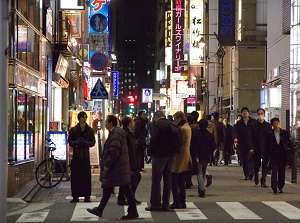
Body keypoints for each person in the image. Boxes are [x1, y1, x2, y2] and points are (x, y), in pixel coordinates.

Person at [87, 115, 139, 220]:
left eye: (106, 121)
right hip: (120, 167)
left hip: (117, 167)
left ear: (110, 123)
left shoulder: (115, 135)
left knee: (116, 188)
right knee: (115, 188)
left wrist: (107, 164)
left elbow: (114, 151)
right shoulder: (117, 133)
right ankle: (101, 209)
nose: (105, 123)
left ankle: (101, 209)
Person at [145, 110, 176, 212]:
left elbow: (153, 140)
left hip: (159, 155)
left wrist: (149, 152)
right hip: (170, 154)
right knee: (168, 179)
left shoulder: (157, 125)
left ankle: (156, 204)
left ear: (156, 117)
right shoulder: (172, 124)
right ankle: (166, 204)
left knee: (156, 180)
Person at [68, 111, 95, 203]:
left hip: (85, 157)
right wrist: (78, 143)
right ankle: (75, 196)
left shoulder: (90, 130)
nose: (84, 119)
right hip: (76, 157)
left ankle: (87, 196)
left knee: (86, 177)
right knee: (75, 177)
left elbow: (92, 142)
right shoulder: (73, 130)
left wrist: (85, 143)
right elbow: (70, 141)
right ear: (79, 119)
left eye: (85, 117)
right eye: (82, 117)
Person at [264, 118, 292, 193]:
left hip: (282, 155)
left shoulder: (284, 133)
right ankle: (274, 187)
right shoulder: (269, 134)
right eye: (274, 124)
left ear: (279, 123)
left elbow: (288, 143)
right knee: (274, 171)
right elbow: (266, 146)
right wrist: (265, 156)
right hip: (273, 155)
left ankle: (281, 186)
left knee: (282, 172)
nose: (276, 125)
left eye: (277, 123)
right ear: (272, 125)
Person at [118, 116, 141, 205]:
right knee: (132, 178)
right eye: (132, 122)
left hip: (131, 159)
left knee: (130, 179)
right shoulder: (125, 134)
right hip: (129, 159)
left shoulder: (128, 133)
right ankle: (127, 197)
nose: (134, 123)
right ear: (129, 124)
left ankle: (128, 197)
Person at [170, 111, 191, 209]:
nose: (174, 121)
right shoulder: (187, 127)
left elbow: (179, 143)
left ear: (179, 118)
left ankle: (177, 201)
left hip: (179, 156)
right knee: (181, 180)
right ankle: (182, 201)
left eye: (175, 119)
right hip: (185, 155)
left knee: (175, 180)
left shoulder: (182, 129)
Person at [192, 119, 216, 197]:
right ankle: (201, 188)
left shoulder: (196, 134)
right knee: (203, 171)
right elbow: (213, 146)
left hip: (198, 155)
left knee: (199, 173)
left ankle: (201, 189)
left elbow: (193, 145)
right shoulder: (210, 135)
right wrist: (210, 153)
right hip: (206, 155)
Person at [251, 108, 272, 187]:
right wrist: (251, 147)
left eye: (262, 113)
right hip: (256, 147)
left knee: (265, 164)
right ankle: (256, 175)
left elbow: (270, 137)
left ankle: (263, 180)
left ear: (264, 114)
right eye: (259, 113)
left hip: (266, 147)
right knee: (257, 164)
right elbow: (250, 137)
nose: (260, 115)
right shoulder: (253, 125)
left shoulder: (268, 125)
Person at [233, 107, 255, 180]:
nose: (244, 113)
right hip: (242, 144)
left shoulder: (253, 122)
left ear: (248, 113)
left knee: (250, 158)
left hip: (251, 143)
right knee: (244, 160)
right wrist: (235, 138)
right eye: (243, 112)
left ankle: (251, 172)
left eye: (246, 111)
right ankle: (246, 174)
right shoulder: (239, 123)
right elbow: (235, 131)